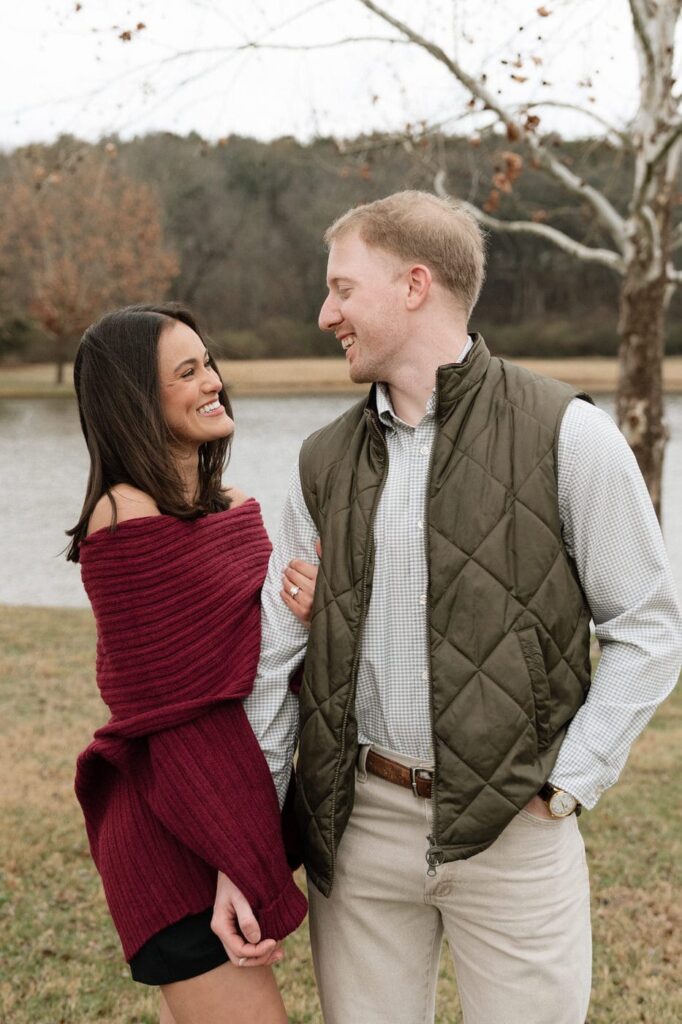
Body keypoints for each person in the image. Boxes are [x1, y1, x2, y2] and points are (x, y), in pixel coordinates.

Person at [224, 191, 682, 1024]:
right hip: (358, 834)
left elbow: (647, 628)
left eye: (342, 288)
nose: (325, 313)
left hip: (517, 832)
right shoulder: (320, 461)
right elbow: (274, 663)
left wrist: (566, 786)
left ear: (414, 284)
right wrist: (248, 846)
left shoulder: (568, 434)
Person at [66, 303, 314, 1024]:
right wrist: (235, 859)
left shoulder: (235, 505)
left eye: (209, 363)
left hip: (239, 812)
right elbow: (172, 714)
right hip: (178, 837)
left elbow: (270, 664)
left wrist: (312, 610)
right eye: (187, 371)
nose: (213, 382)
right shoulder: (122, 518)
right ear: (139, 401)